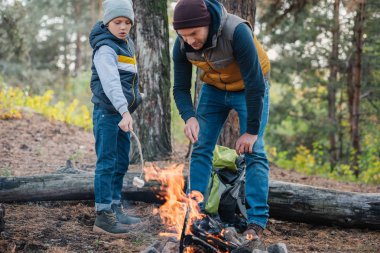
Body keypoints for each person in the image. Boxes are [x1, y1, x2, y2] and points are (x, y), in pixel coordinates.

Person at [172, 0, 271, 247]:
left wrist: (251, 131)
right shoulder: (182, 44)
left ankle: (256, 221)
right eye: (184, 36)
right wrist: (189, 116)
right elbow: (180, 87)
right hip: (214, 89)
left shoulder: (237, 31)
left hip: (249, 88)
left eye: (194, 33)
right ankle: (198, 211)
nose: (190, 40)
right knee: (201, 147)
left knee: (255, 152)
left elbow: (257, 84)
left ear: (207, 23)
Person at [89, 0, 142, 236]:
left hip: (121, 115)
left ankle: (115, 206)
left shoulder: (125, 44)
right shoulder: (105, 48)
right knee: (107, 162)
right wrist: (123, 109)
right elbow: (110, 83)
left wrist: (137, 98)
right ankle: (103, 216)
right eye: (117, 22)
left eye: (127, 22)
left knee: (121, 162)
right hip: (108, 114)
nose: (123, 27)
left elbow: (127, 80)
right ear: (107, 22)